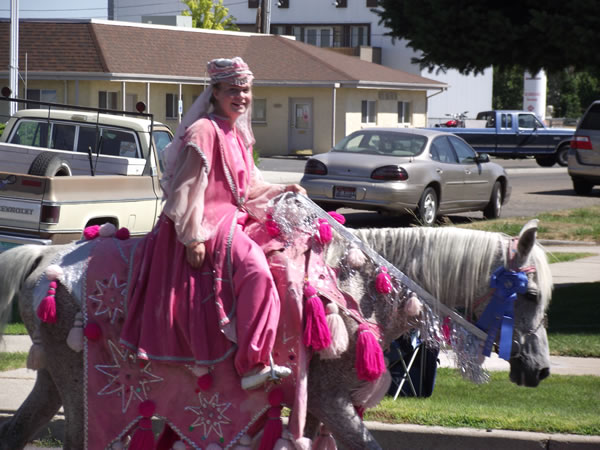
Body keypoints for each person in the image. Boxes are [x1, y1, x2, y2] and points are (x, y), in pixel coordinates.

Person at [120, 57, 305, 390]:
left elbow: (247, 189)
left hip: (232, 218)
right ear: (216, 92)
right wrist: (192, 238)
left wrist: (283, 190)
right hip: (207, 223)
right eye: (233, 90)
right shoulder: (203, 130)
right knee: (257, 273)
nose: (241, 97)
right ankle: (251, 364)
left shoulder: (236, 132)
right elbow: (185, 189)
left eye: (245, 90)